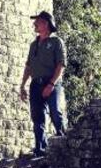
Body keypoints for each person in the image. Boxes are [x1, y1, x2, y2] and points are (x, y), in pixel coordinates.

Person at [20, 10, 67, 157]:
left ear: (46, 24)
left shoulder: (56, 42)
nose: (34, 24)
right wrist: (22, 85)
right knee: (37, 117)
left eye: (37, 21)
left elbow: (60, 65)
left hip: (52, 82)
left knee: (55, 112)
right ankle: (40, 149)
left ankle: (65, 143)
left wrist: (51, 84)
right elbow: (28, 67)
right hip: (36, 84)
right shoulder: (34, 45)